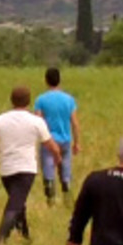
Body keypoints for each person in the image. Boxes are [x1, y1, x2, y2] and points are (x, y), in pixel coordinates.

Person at [0, 86, 60, 245]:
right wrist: (57, 157)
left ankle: (25, 236)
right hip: (27, 169)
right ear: (29, 101)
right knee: (15, 204)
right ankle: (1, 239)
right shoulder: (36, 121)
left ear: (11, 100)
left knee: (18, 201)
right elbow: (50, 144)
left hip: (6, 170)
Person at [34, 67, 80, 206]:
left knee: (48, 167)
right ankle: (66, 191)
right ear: (59, 80)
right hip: (65, 139)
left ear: (46, 81)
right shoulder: (69, 100)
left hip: (48, 140)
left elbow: (38, 121)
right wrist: (77, 143)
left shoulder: (41, 99)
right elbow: (75, 123)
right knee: (66, 166)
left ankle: (50, 197)